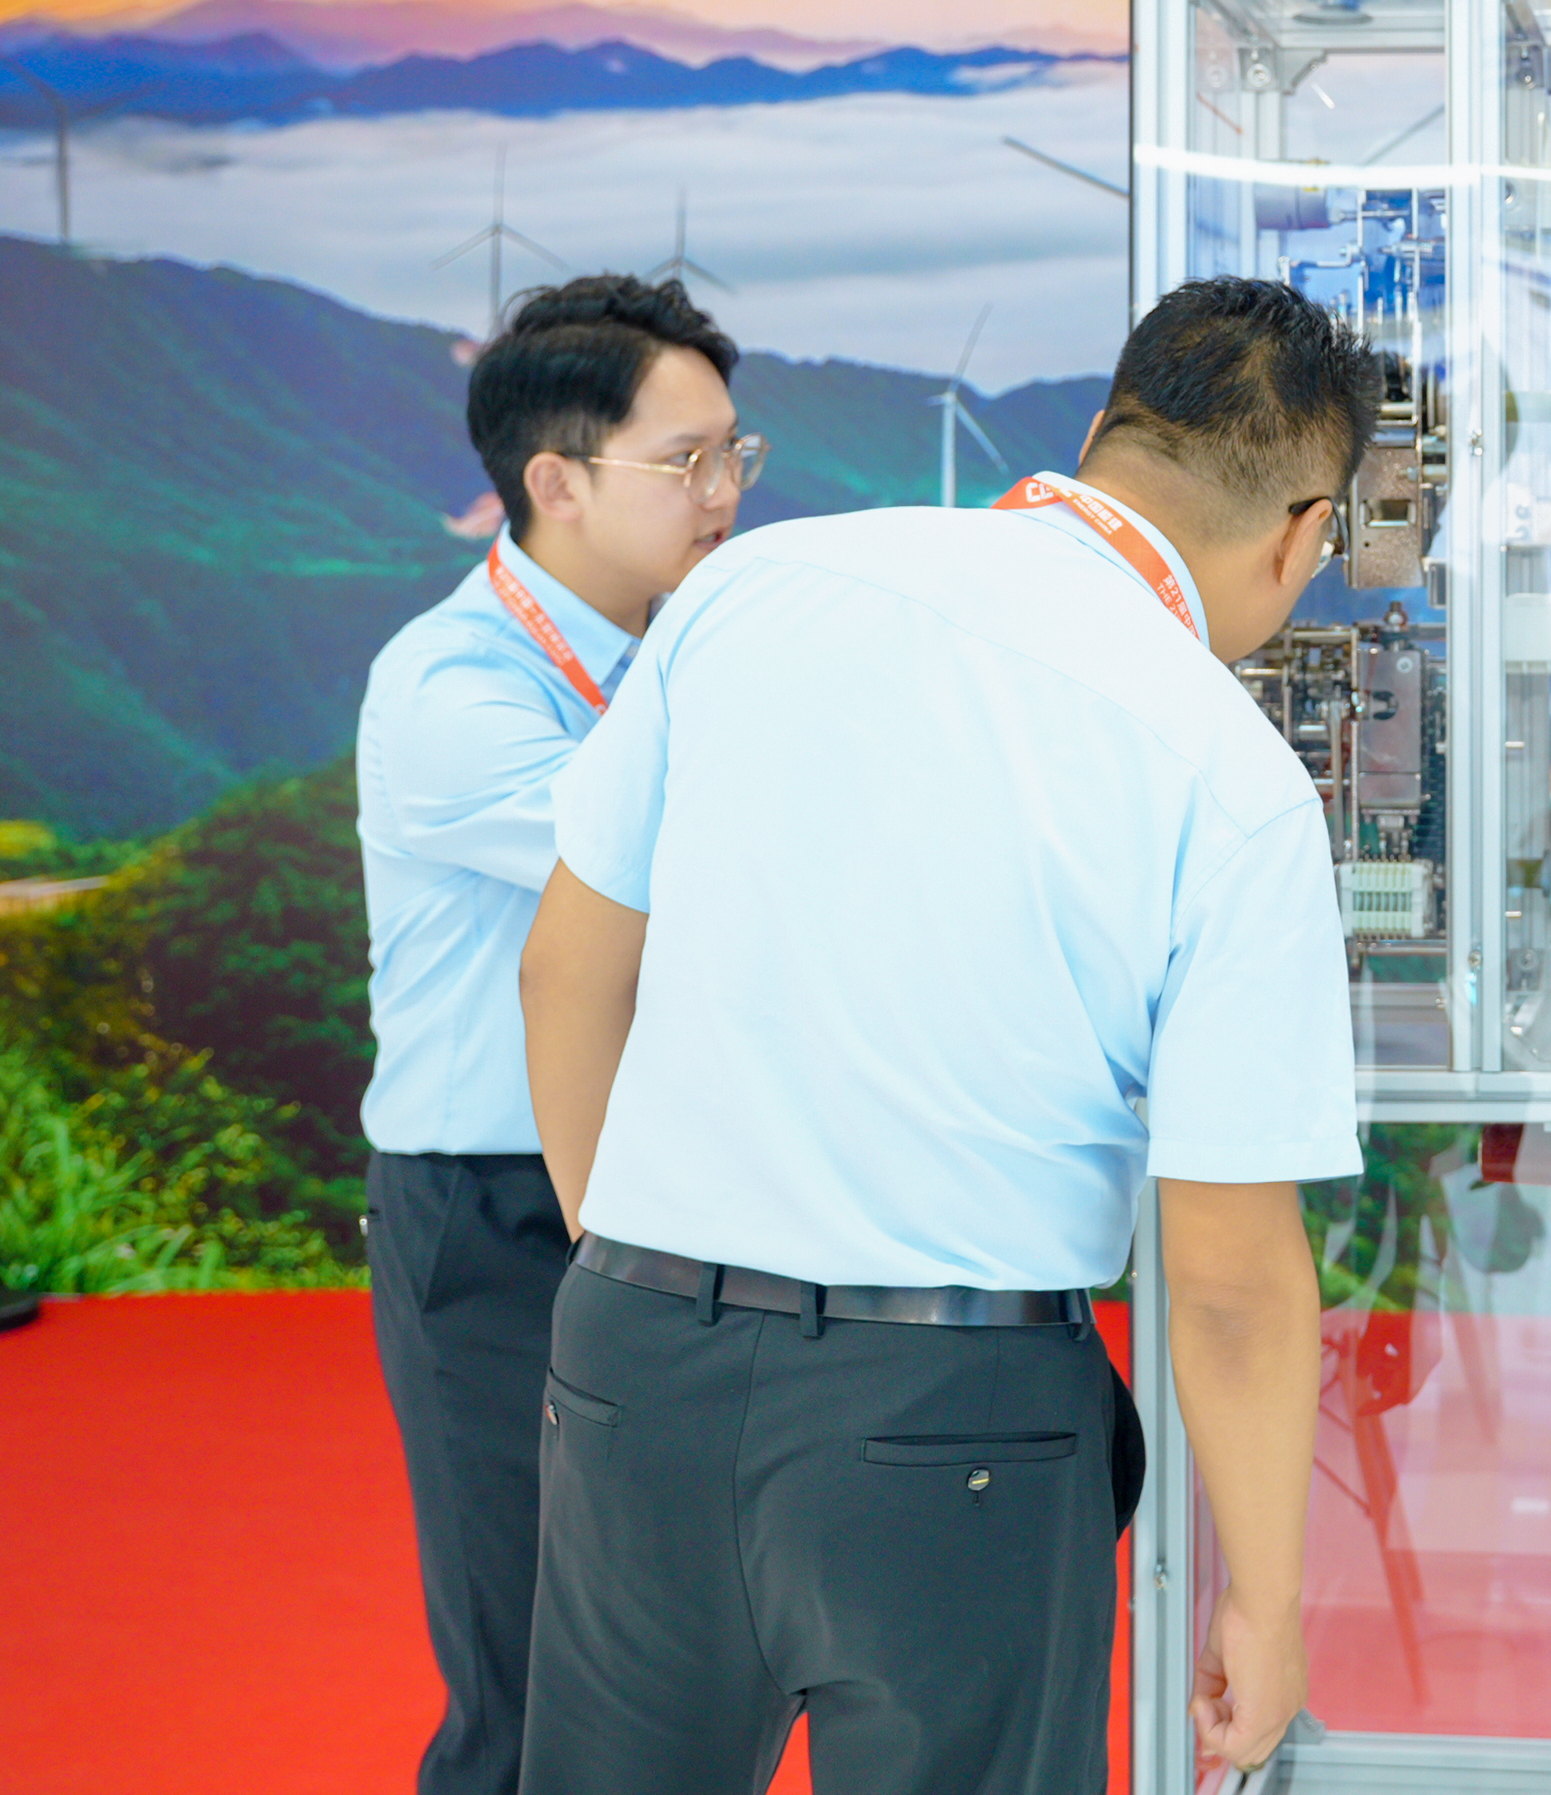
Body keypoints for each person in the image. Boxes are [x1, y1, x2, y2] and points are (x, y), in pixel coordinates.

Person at [513, 275, 1378, 1795]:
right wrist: (1266, 1596)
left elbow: (567, 974)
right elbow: (1231, 1275)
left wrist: (631, 1265)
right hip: (953, 1417)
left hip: (635, 1359)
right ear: (1306, 533)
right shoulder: (1230, 776)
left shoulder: (753, 586)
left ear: (1102, 433)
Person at [357, 274, 763, 1795]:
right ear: (557, 481)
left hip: (662, 1190)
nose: (722, 493)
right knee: (530, 1667)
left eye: (734, 453)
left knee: (679, 1649)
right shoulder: (450, 686)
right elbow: (681, 867)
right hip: (494, 1212)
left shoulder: (684, 649)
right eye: (685, 460)